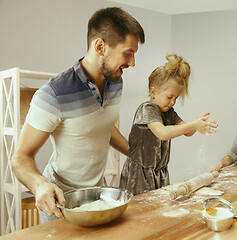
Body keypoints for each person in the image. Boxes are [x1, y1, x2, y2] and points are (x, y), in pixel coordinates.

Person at [11, 7, 145, 223]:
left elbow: (100, 124)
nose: (132, 63)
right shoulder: (54, 93)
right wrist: (39, 184)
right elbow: (20, 158)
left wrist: (138, 153)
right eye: (127, 53)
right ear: (100, 46)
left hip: (98, 197)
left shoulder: (116, 82)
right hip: (61, 203)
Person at [120, 53, 218, 196]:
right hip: (139, 174)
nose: (172, 102)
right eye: (169, 97)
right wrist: (193, 125)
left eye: (176, 98)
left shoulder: (169, 112)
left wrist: (197, 124)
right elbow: (163, 133)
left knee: (158, 208)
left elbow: (187, 131)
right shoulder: (146, 109)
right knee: (140, 212)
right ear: (153, 91)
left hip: (159, 173)